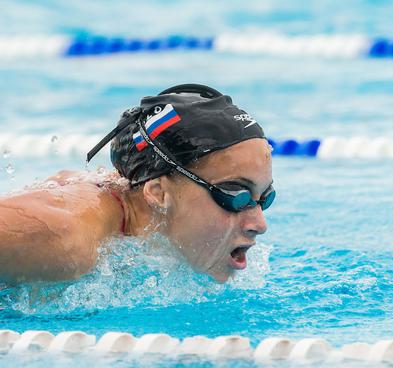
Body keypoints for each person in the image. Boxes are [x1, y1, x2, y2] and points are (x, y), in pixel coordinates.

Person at [0, 84, 275, 285]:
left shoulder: (129, 218)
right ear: (158, 192)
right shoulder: (65, 239)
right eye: (235, 195)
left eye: (265, 198)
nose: (259, 224)